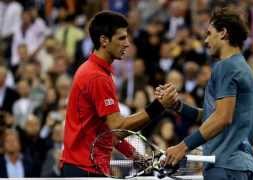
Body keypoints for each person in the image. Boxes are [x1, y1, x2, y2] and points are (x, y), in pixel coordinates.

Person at [60, 11, 177, 177]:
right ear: (104, 41)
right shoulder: (97, 76)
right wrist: (158, 106)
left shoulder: (96, 71)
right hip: (85, 170)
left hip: (82, 168)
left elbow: (107, 133)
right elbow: (118, 128)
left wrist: (138, 157)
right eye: (121, 38)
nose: (127, 44)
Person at [157, 6, 253, 180]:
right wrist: (177, 106)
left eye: (209, 33)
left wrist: (183, 146)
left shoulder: (226, 66)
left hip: (224, 166)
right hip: (240, 167)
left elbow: (222, 118)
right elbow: (214, 116)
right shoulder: (243, 67)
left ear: (223, 33)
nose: (205, 40)